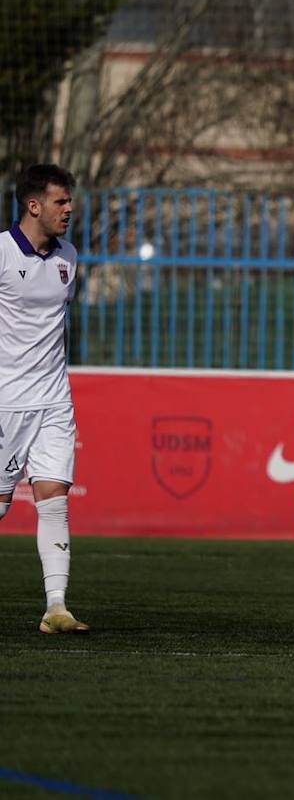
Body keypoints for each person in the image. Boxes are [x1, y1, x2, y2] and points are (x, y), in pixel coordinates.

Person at [0, 164, 87, 634]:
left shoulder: (68, 256)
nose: (69, 209)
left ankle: (57, 608)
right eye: (60, 201)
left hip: (54, 400)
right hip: (4, 403)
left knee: (53, 498)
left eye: (68, 200)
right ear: (33, 206)